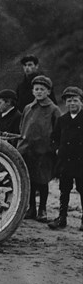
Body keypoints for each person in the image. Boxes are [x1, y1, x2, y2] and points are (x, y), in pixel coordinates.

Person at [17, 75, 61, 222]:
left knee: (42, 181)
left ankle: (42, 209)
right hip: (27, 150)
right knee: (29, 179)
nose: (39, 92)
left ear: (48, 91)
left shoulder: (53, 109)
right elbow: (22, 126)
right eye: (36, 89)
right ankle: (31, 208)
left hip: (44, 152)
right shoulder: (28, 108)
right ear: (32, 91)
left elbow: (58, 130)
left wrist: (52, 147)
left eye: (42, 89)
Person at [48, 86, 83, 231]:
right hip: (65, 162)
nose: (72, 103)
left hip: (81, 162)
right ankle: (61, 218)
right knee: (64, 190)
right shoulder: (62, 119)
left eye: (75, 100)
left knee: (82, 190)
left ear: (81, 102)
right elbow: (54, 137)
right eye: (69, 101)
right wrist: (56, 149)